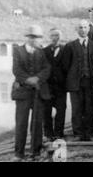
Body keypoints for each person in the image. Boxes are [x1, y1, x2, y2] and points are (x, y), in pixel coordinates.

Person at [12, 25, 51, 161]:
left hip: (38, 93)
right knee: (21, 123)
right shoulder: (18, 51)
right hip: (22, 93)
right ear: (28, 38)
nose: (36, 39)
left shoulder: (41, 52)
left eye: (38, 37)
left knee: (37, 123)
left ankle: (35, 152)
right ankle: (19, 153)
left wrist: (38, 78)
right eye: (33, 37)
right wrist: (29, 80)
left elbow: (47, 68)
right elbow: (16, 69)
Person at [63, 20, 93, 141]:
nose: (83, 29)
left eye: (85, 27)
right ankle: (78, 133)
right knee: (77, 108)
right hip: (75, 82)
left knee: (90, 108)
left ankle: (89, 132)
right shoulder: (70, 46)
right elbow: (65, 66)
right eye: (80, 27)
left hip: (91, 82)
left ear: (88, 29)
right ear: (77, 30)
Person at [42, 28, 67, 141]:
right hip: (48, 86)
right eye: (52, 35)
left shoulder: (66, 49)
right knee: (46, 110)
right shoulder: (44, 51)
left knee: (61, 109)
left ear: (60, 37)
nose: (55, 37)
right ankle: (48, 133)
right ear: (49, 37)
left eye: (57, 35)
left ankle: (59, 133)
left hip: (61, 86)